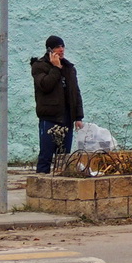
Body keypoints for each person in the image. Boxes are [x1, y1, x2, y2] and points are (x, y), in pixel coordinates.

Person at [31, 35, 84, 174]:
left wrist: (78, 117)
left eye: (62, 46)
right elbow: (45, 85)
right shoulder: (39, 66)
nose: (61, 50)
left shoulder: (69, 68)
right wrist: (55, 68)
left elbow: (75, 93)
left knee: (64, 156)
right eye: (57, 47)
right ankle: (41, 182)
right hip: (50, 117)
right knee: (46, 154)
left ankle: (62, 182)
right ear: (50, 50)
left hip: (66, 117)